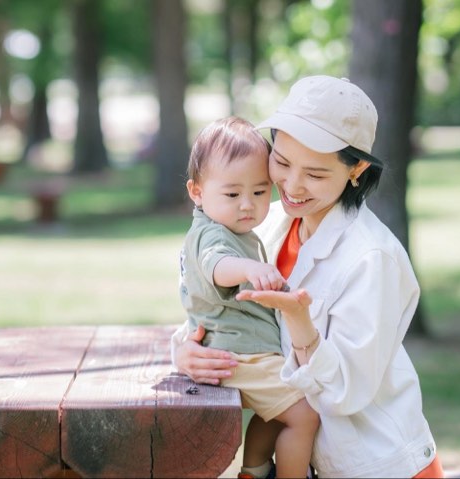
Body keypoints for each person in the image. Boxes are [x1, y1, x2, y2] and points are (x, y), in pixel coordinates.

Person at [172, 76, 444, 479]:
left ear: (357, 170)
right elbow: (218, 308)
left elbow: (344, 392)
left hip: (373, 465)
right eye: (281, 162)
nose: (292, 186)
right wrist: (185, 351)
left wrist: (301, 323)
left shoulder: (372, 258)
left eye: (315, 174)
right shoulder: (267, 224)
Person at [179, 116, 320, 479]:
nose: (247, 205)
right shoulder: (211, 235)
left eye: (259, 192)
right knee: (304, 416)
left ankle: (254, 471)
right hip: (240, 355)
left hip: (246, 352)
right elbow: (216, 266)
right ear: (197, 192)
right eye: (232, 194)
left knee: (272, 415)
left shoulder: (235, 229)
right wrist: (246, 268)